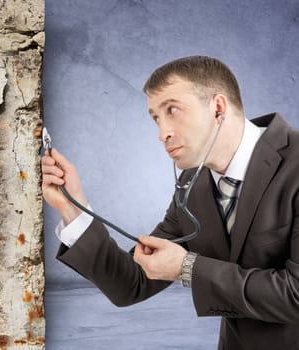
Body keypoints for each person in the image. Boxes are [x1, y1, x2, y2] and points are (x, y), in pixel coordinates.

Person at [42, 56, 299, 349]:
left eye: (172, 110)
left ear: (218, 108)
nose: (162, 133)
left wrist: (187, 268)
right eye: (156, 118)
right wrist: (73, 208)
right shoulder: (193, 185)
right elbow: (131, 283)